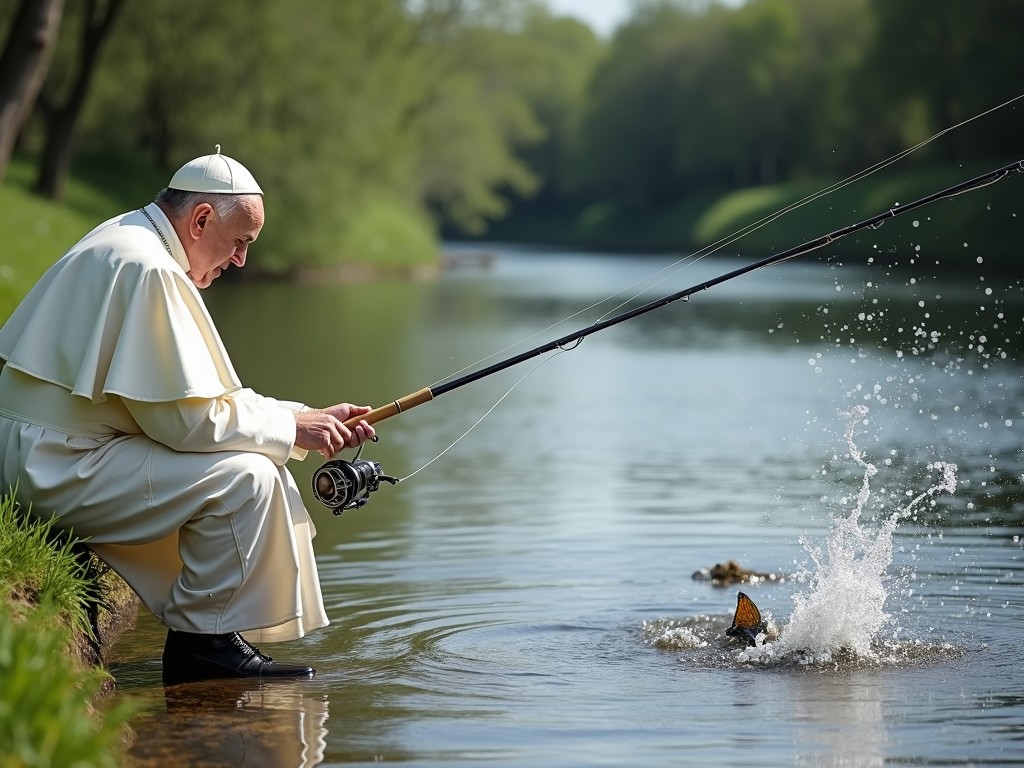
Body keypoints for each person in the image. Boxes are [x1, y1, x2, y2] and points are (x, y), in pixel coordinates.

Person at [0, 147, 375, 684]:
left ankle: (211, 635)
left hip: (37, 453)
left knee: (249, 466)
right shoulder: (151, 268)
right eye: (240, 242)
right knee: (247, 479)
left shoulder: (128, 237)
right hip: (49, 467)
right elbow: (188, 425)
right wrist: (294, 429)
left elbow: (191, 405)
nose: (241, 260)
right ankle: (204, 645)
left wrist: (303, 416)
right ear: (201, 219)